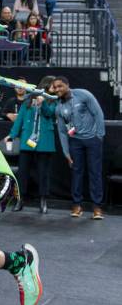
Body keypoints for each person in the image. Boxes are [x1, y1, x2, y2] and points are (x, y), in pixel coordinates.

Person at [51, 76, 106, 219]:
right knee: (77, 173)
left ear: (67, 85)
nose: (57, 89)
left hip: (92, 140)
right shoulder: (59, 107)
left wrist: (99, 135)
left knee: (95, 173)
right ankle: (77, 205)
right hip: (75, 142)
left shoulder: (83, 94)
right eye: (55, 87)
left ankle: (97, 208)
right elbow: (62, 132)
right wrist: (66, 152)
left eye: (60, 86)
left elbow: (98, 113)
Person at [6, 76, 57, 213]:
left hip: (44, 141)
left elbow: (50, 114)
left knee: (43, 173)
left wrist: (43, 103)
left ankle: (43, 200)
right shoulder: (28, 99)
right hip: (28, 141)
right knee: (23, 173)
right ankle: (20, 200)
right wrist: (12, 135)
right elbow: (20, 119)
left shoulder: (53, 100)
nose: (56, 88)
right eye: (53, 86)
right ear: (46, 85)